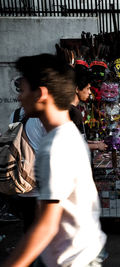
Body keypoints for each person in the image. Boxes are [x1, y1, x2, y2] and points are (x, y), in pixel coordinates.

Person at [2, 54, 107, 266]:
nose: (20, 98)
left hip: (72, 259)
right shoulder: (65, 134)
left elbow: (47, 224)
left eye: (23, 91)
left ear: (40, 94)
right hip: (69, 253)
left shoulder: (56, 145)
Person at [8, 107, 47, 233]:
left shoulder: (14, 115)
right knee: (40, 227)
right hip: (39, 181)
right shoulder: (42, 116)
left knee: (28, 223)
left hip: (21, 179)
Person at [69, 70, 107, 152]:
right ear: (77, 89)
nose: (90, 92)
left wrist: (93, 142)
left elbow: (79, 138)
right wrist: (97, 146)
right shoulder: (74, 112)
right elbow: (72, 144)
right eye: (88, 88)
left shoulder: (75, 109)